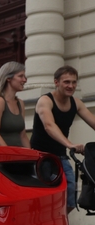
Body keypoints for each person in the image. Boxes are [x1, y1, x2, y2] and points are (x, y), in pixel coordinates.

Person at [30, 65, 95, 213]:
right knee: (47, 196)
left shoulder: (76, 103)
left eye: (73, 82)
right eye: (66, 82)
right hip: (40, 156)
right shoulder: (45, 100)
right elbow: (49, 125)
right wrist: (70, 144)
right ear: (56, 82)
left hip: (60, 155)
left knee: (71, 196)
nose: (70, 86)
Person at [0, 61, 30, 147]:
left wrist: (31, 156)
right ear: (8, 78)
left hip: (18, 156)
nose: (24, 80)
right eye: (20, 76)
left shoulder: (20, 103)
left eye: (24, 76)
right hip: (1, 156)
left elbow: (23, 135)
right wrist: (10, 153)